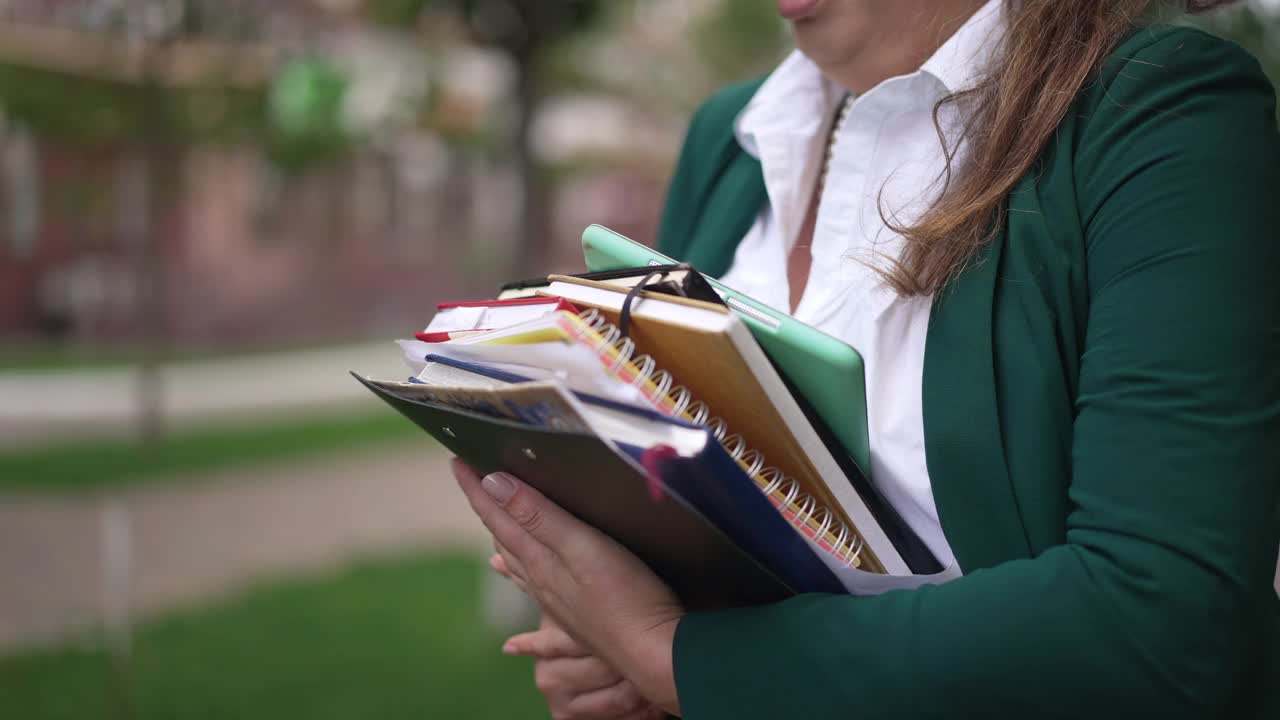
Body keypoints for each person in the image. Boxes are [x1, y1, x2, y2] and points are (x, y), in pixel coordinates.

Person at [452, 0, 1280, 716]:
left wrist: (671, 659)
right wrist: (600, 642)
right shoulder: (733, 136)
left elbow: (1164, 619)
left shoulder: (1156, 111)